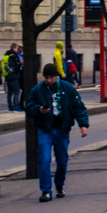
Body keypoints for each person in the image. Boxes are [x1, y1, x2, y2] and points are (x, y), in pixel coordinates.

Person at [24, 64, 89, 202]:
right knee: (45, 159)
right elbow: (29, 107)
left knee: (62, 160)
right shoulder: (38, 90)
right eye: (46, 78)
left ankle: (59, 185)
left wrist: (83, 125)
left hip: (62, 130)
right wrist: (38, 110)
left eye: (51, 77)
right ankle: (46, 190)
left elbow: (79, 107)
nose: (48, 80)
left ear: (56, 77)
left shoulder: (67, 88)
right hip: (45, 129)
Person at [4, 45, 23, 112]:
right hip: (14, 76)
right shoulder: (13, 56)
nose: (17, 50)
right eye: (17, 48)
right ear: (14, 48)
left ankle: (10, 106)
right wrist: (19, 65)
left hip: (8, 76)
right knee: (16, 92)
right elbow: (16, 67)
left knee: (10, 93)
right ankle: (16, 106)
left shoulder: (7, 54)